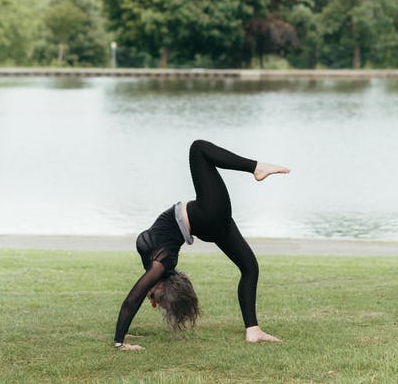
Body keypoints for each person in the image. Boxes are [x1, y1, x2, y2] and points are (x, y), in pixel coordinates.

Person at [113, 139, 290, 350]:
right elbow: (132, 299)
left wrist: (124, 330)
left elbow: (137, 297)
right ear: (161, 284)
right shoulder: (160, 263)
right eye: (153, 298)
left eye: (151, 298)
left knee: (250, 268)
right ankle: (256, 168)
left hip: (211, 223)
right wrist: (119, 343)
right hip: (207, 216)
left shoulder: (156, 263)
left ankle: (253, 331)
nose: (149, 300)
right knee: (198, 149)